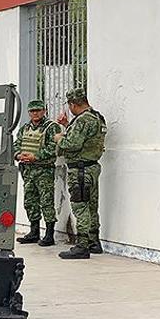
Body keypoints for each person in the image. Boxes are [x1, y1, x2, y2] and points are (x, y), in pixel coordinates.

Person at [54, 88, 106, 259]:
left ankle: (82, 246)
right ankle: (93, 242)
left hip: (80, 170)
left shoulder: (83, 120)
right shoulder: (97, 117)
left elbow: (72, 144)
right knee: (91, 206)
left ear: (73, 104)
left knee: (80, 205)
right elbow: (86, 138)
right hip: (91, 167)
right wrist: (68, 125)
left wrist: (59, 138)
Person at [14, 99, 62, 246]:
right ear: (29, 112)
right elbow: (17, 144)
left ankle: (49, 234)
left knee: (46, 202)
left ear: (44, 111)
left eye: (38, 110)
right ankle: (34, 232)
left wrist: (36, 156)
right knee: (30, 201)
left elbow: (54, 148)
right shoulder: (25, 128)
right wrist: (18, 155)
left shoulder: (52, 127)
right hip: (28, 170)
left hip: (43, 170)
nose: (35, 113)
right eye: (32, 111)